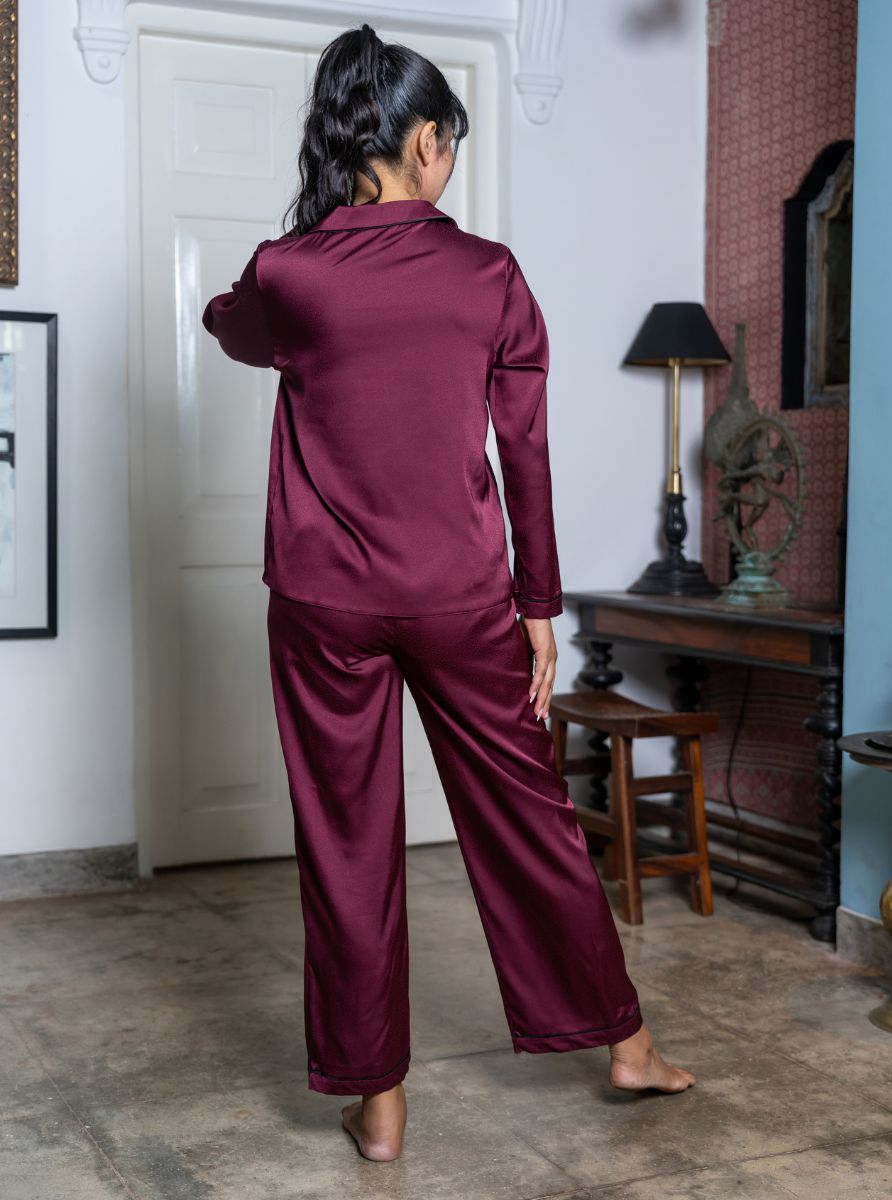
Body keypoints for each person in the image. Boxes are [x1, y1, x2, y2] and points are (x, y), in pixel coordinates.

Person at [202, 22, 696, 1164]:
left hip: (323, 603)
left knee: (345, 844)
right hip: (463, 596)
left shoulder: (291, 272)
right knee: (531, 821)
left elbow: (233, 330)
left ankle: (376, 1106)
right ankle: (623, 1045)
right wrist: (539, 608)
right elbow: (526, 453)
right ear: (426, 140)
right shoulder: (490, 276)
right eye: (450, 143)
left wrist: (265, 288)